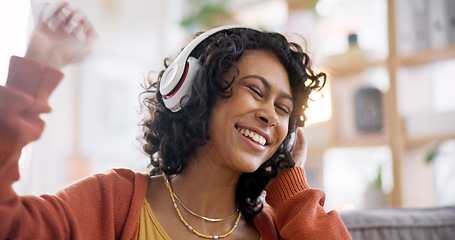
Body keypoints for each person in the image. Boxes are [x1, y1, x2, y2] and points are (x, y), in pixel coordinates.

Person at [0, 1, 352, 239]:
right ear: (195, 91)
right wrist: (35, 70)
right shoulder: (113, 202)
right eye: (256, 91)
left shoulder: (274, 228)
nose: (269, 115)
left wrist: (291, 187)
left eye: (283, 109)